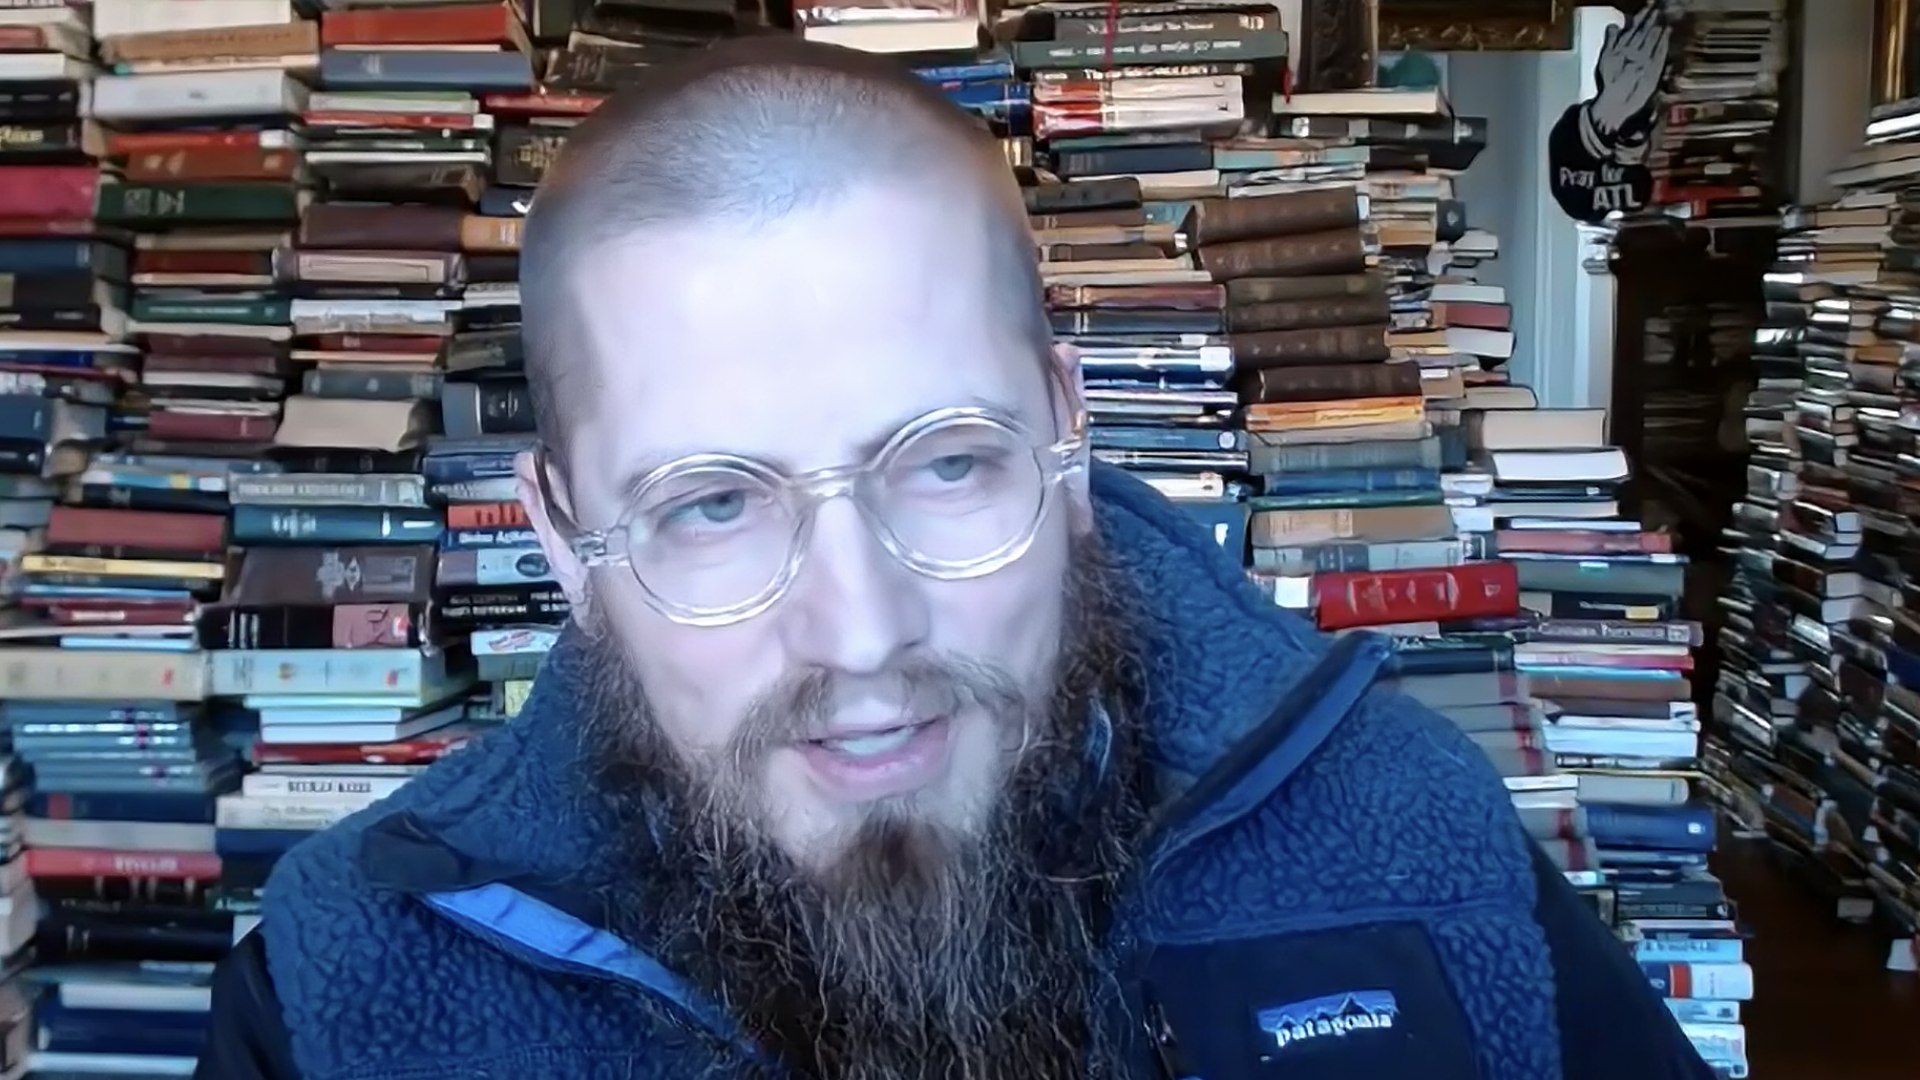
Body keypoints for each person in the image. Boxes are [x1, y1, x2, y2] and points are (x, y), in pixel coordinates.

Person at [195, 36, 1717, 1080]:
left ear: (1065, 432)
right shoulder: (336, 990)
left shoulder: (1406, 823)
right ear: (561, 538)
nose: (860, 636)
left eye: (944, 463)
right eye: (713, 505)